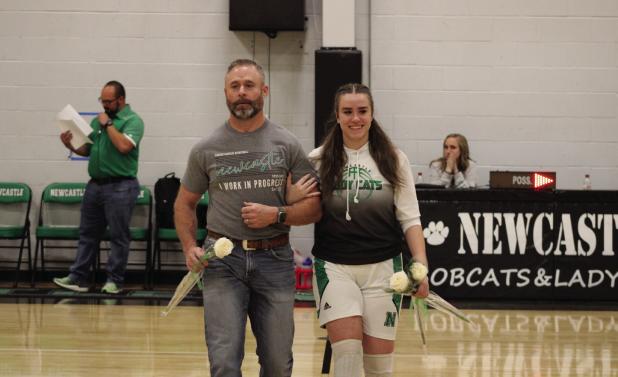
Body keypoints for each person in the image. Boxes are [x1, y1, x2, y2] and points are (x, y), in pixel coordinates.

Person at [174, 59, 321, 377]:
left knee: (278, 365)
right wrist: (189, 247)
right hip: (222, 263)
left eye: (249, 85)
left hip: (275, 260)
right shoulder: (206, 149)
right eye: (235, 86)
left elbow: (314, 206)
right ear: (225, 93)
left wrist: (277, 214)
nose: (242, 92)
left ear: (264, 91)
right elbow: (184, 204)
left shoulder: (286, 144)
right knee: (224, 362)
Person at [307, 83, 429, 377]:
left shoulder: (394, 159)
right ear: (337, 116)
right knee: (347, 357)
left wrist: (421, 264)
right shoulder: (317, 160)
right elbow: (304, 209)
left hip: (385, 270)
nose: (355, 118)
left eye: (362, 111)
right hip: (335, 266)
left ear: (372, 114)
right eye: (347, 112)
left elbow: (410, 217)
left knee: (378, 368)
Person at [53, 80, 144, 294]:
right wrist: (70, 144)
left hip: (121, 186)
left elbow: (123, 146)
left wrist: (108, 125)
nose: (104, 105)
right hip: (95, 186)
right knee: (87, 233)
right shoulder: (97, 122)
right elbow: (88, 150)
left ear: (121, 100)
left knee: (118, 236)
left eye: (108, 101)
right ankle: (77, 277)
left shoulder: (133, 121)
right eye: (102, 101)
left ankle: (114, 280)